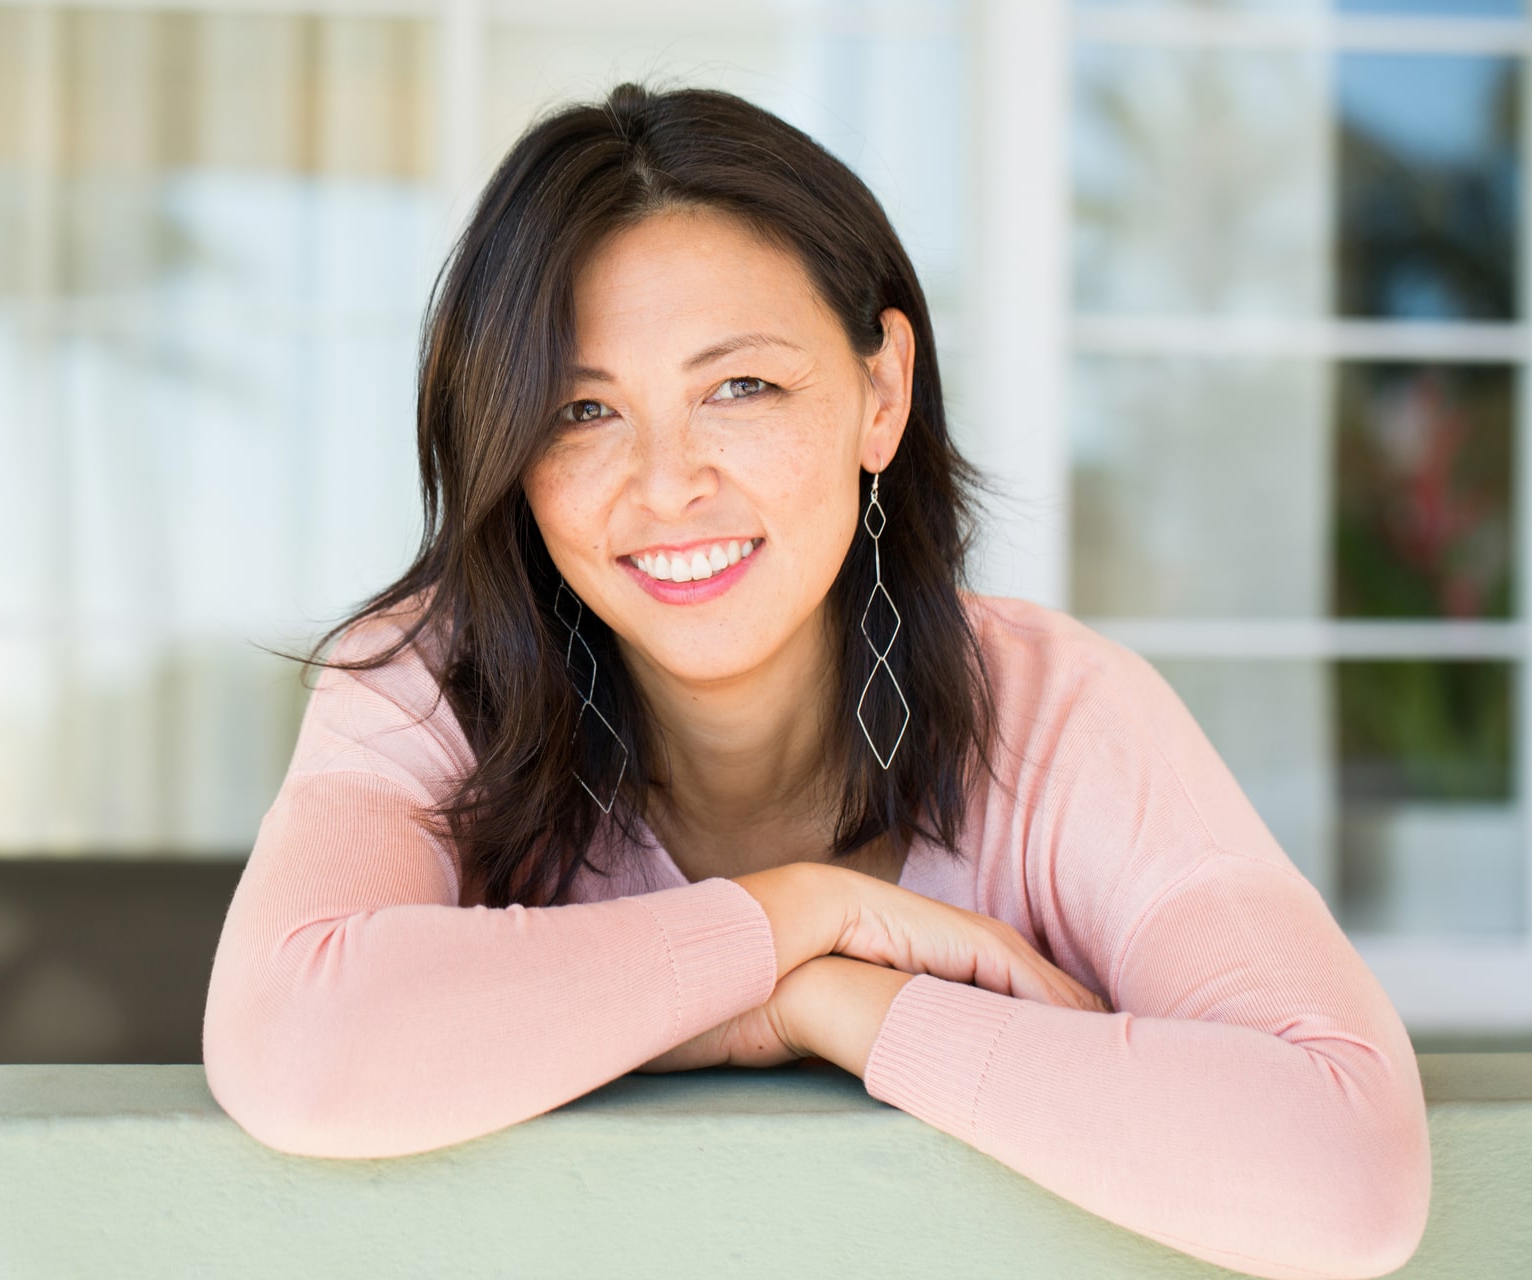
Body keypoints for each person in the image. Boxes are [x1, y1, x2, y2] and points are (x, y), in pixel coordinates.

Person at [202, 83, 1430, 1279]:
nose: (666, 482)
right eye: (581, 410)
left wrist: (845, 1009)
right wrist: (791, 923)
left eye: (741, 386)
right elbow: (294, 1045)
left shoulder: (1063, 714)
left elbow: (1350, 1170)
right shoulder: (434, 686)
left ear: (880, 394)